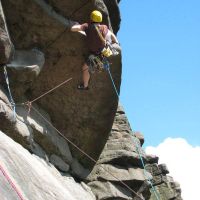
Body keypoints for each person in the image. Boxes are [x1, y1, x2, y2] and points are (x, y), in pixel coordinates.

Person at [71, 10, 119, 90]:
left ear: (92, 18)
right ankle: (97, 65)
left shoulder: (87, 26)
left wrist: (77, 25)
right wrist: (116, 42)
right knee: (92, 62)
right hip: (103, 52)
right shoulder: (104, 27)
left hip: (94, 54)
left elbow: (73, 29)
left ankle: (85, 86)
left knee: (85, 68)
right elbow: (111, 35)